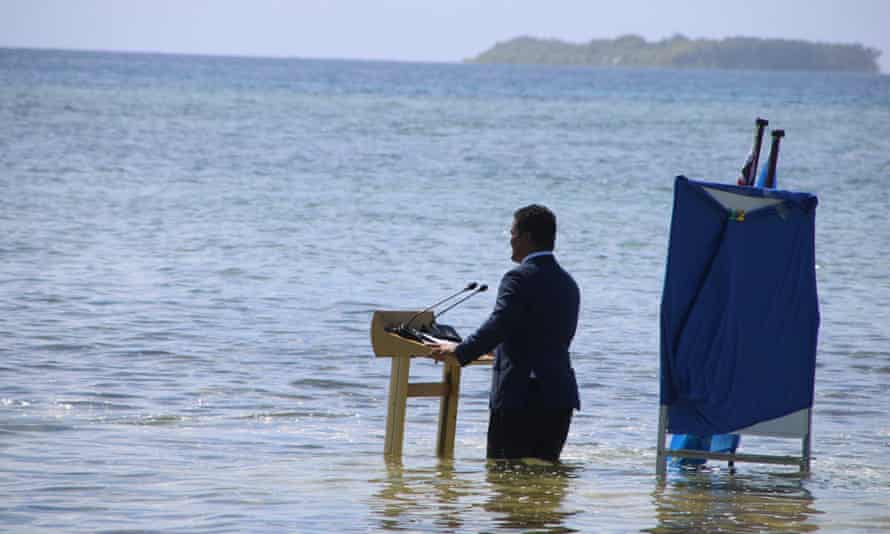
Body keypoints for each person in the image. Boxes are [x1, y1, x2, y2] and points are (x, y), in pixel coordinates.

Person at [426, 204, 581, 462]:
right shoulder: (567, 282)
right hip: (558, 397)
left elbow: (499, 324)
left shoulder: (518, 277)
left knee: (503, 483)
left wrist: (460, 351)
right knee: (544, 487)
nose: (510, 241)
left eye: (512, 234)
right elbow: (544, 335)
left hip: (521, 397)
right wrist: (497, 349)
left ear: (527, 238)